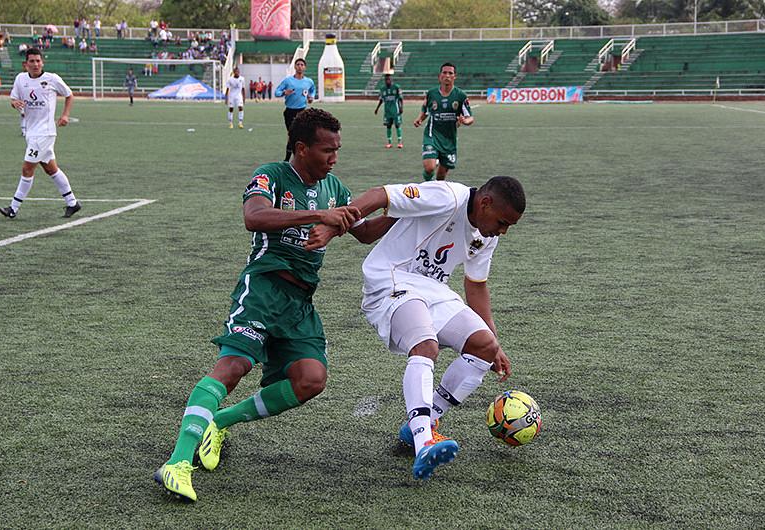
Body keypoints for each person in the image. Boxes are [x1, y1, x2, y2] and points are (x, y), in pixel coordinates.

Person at [153, 108, 392, 502]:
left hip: (300, 302)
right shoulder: (272, 175)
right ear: (301, 148)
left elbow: (363, 231)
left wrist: (407, 212)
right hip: (264, 287)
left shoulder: (334, 186)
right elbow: (254, 216)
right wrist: (319, 215)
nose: (334, 157)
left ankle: (219, 423)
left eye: (338, 149)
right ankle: (177, 463)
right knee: (234, 367)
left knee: (311, 380)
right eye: (327, 149)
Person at [306, 176, 525, 480]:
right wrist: (331, 227)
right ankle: (424, 441)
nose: (503, 230)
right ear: (485, 202)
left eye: (508, 226)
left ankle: (423, 422)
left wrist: (496, 344)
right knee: (426, 344)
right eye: (503, 222)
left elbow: (476, 287)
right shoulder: (448, 196)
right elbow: (380, 194)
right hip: (390, 279)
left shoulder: (486, 236)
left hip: (432, 291)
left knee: (484, 347)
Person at [0, 48, 81, 219]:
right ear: (25, 64)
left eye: (38, 61)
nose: (36, 64)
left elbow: (69, 94)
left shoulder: (51, 79)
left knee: (27, 168)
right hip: (31, 132)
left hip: (45, 133)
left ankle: (13, 208)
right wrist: (15, 103)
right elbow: (13, 99)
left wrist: (65, 115)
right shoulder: (21, 79)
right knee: (51, 169)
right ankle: (72, 203)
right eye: (32, 61)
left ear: (42, 62)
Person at [413, 62, 474, 181]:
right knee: (429, 167)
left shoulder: (460, 96)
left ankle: (435, 191)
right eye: (444, 72)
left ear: (454, 76)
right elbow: (426, 111)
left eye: (450, 73)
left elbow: (470, 117)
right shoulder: (432, 94)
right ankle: (428, 185)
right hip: (432, 135)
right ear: (439, 76)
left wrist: (465, 121)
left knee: (441, 177)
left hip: (449, 139)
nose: (447, 75)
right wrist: (419, 119)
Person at [275, 58, 315, 161]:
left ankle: (300, 157)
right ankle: (287, 159)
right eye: (298, 64)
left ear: (305, 67)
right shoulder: (288, 81)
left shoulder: (309, 81)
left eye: (302, 65)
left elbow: (312, 90)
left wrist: (311, 97)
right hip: (290, 112)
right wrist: (284, 92)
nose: (300, 66)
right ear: (295, 67)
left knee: (302, 135)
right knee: (292, 135)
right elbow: (276, 92)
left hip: (302, 111)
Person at [374, 73, 403, 149]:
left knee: (397, 125)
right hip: (387, 112)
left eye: (388, 79)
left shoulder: (396, 87)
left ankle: (399, 142)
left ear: (391, 80)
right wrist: (377, 108)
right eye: (386, 79)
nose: (387, 81)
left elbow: (400, 99)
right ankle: (389, 143)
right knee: (388, 126)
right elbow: (381, 100)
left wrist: (401, 107)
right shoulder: (383, 89)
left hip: (395, 111)